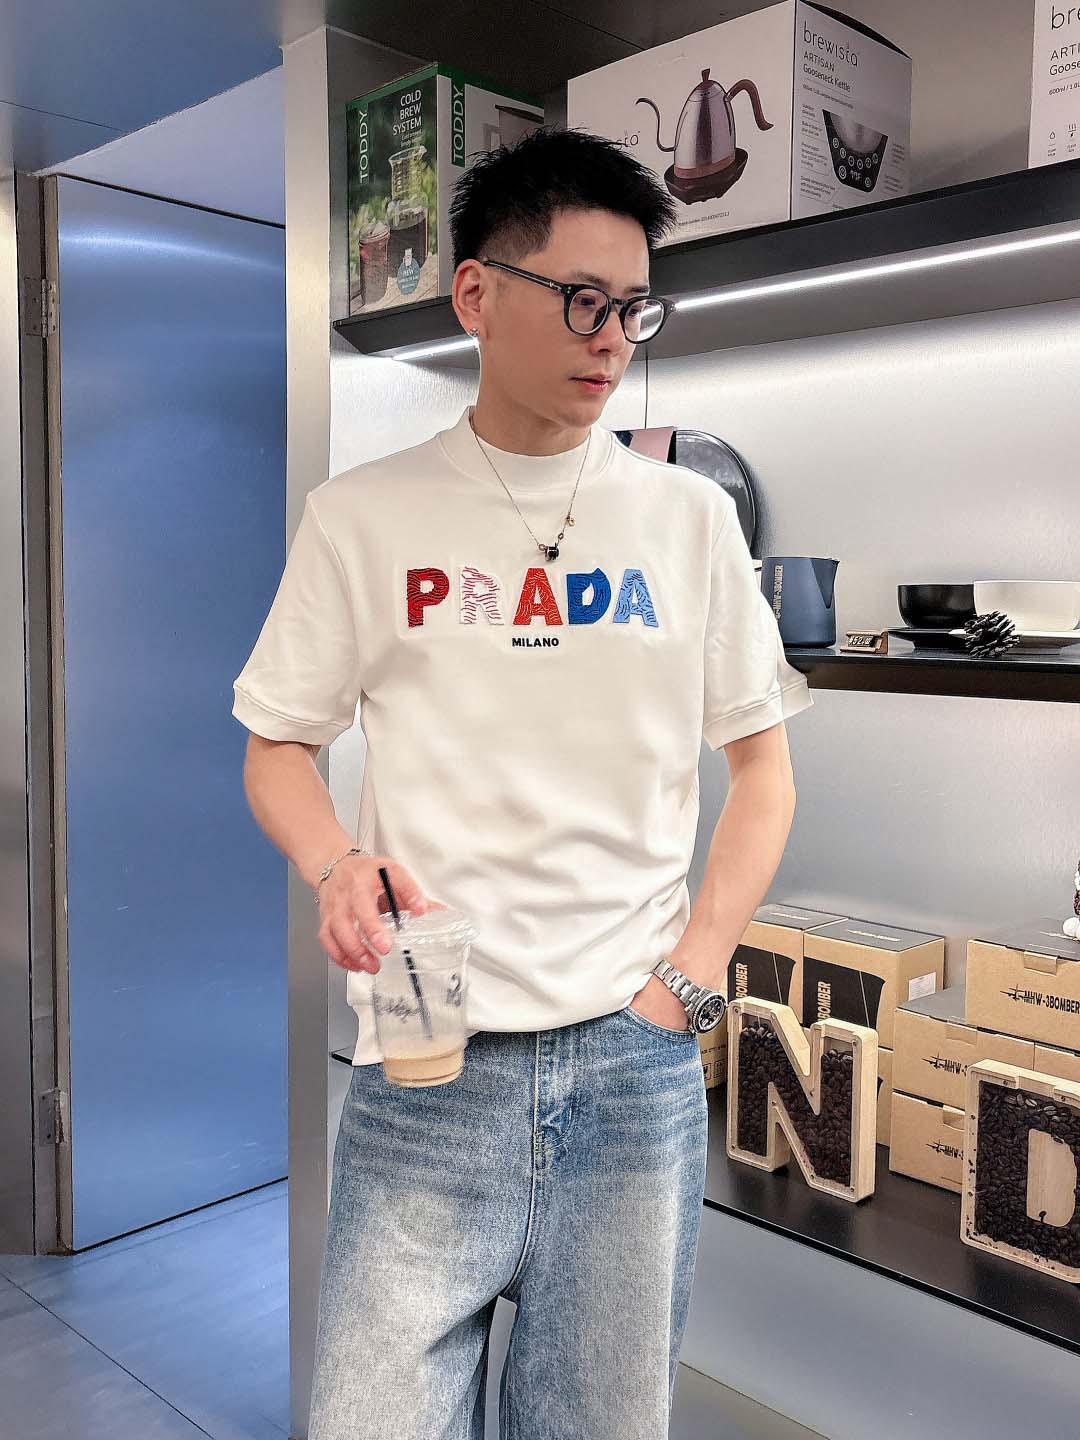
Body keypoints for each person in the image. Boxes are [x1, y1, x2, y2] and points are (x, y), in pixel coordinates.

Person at [233, 125, 814, 1440]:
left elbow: (764, 770)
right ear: (477, 294)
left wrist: (688, 983)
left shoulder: (689, 520)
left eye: (633, 307)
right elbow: (277, 747)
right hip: (428, 1056)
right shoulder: (363, 516)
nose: (612, 339)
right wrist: (336, 864)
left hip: (632, 1065)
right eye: (581, 300)